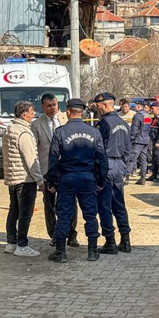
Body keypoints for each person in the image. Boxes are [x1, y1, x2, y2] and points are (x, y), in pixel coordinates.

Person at [45, 98, 108, 263]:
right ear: (83, 112)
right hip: (88, 178)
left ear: (68, 111)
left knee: (64, 214)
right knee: (90, 215)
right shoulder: (94, 132)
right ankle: (92, 250)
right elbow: (102, 159)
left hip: (67, 178)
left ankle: (60, 251)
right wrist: (101, 180)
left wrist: (51, 182)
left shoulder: (60, 132)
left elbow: (53, 160)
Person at [32, 93, 79, 247]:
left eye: (55, 105)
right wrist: (40, 176)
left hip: (68, 170)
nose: (53, 108)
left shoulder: (67, 119)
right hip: (47, 171)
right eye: (49, 106)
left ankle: (72, 235)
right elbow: (35, 151)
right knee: (49, 205)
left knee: (71, 203)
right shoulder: (37, 124)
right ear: (43, 107)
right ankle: (54, 234)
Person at [2, 100, 44, 257]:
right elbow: (31, 159)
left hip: (13, 177)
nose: (33, 115)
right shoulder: (24, 133)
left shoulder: (9, 129)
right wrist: (40, 180)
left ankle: (11, 242)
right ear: (25, 114)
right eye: (32, 113)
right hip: (25, 179)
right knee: (25, 213)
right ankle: (22, 244)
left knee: (14, 211)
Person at [94, 92, 133, 254]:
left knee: (104, 205)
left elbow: (99, 148)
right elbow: (128, 149)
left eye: (98, 107)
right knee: (119, 204)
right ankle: (125, 239)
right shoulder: (122, 123)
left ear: (104, 105)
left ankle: (110, 240)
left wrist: (97, 172)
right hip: (119, 165)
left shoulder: (104, 123)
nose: (97, 110)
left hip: (106, 165)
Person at [128, 99, 150, 185]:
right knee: (143, 159)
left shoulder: (137, 116)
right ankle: (143, 177)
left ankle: (125, 177)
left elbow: (134, 129)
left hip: (138, 140)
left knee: (132, 158)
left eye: (135, 106)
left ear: (138, 106)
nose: (135, 107)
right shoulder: (147, 115)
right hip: (146, 139)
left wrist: (131, 139)